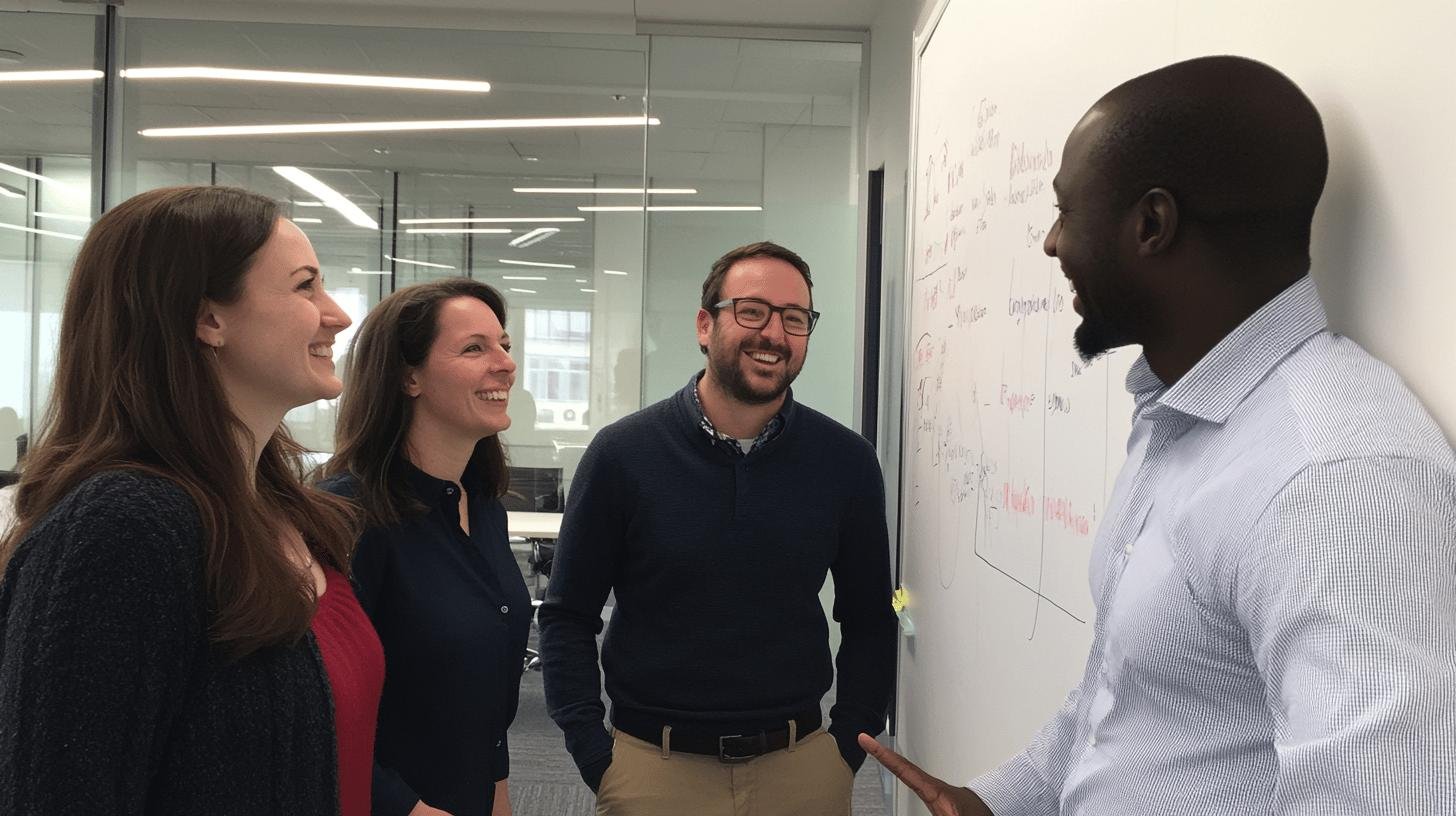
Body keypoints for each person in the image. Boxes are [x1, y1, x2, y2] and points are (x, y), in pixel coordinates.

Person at [860, 55, 1456, 815]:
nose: (1051, 244)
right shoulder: (1178, 418)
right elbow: (1127, 692)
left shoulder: (1333, 474)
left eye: (1066, 211)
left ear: (1151, 225)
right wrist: (1001, 801)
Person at [0, 186, 384, 815]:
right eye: (305, 286)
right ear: (208, 319)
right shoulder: (122, 527)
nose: (337, 315)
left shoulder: (281, 511)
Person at [539, 241, 898, 816]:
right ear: (706, 325)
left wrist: (844, 748)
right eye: (752, 311)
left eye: (794, 318)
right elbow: (567, 616)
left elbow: (871, 619)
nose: (774, 334)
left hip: (802, 770)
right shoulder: (622, 455)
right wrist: (593, 753)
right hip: (653, 771)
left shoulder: (845, 462)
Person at [319, 278, 531, 816]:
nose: (505, 363)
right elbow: (311, 705)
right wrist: (403, 807)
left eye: (503, 344)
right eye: (474, 348)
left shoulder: (483, 506)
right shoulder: (346, 515)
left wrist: (497, 787)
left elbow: (483, 687)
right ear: (408, 376)